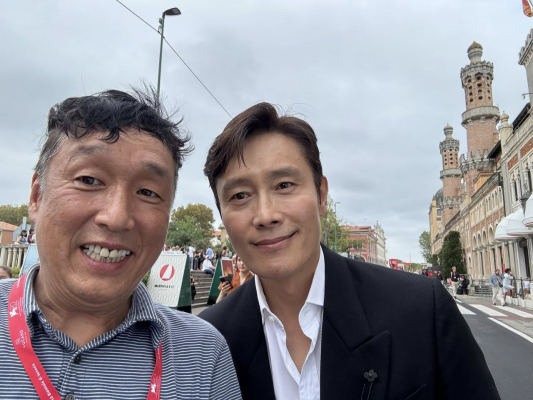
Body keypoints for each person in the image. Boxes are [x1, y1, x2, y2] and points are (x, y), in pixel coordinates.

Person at [199, 102, 499, 399]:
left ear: (321, 196)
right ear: (222, 214)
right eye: (240, 195)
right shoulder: (208, 341)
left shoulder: (421, 309)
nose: (266, 215)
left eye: (284, 185)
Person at [0, 88, 240, 399]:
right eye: (88, 180)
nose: (116, 217)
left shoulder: (202, 354)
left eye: (148, 192)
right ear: (37, 196)